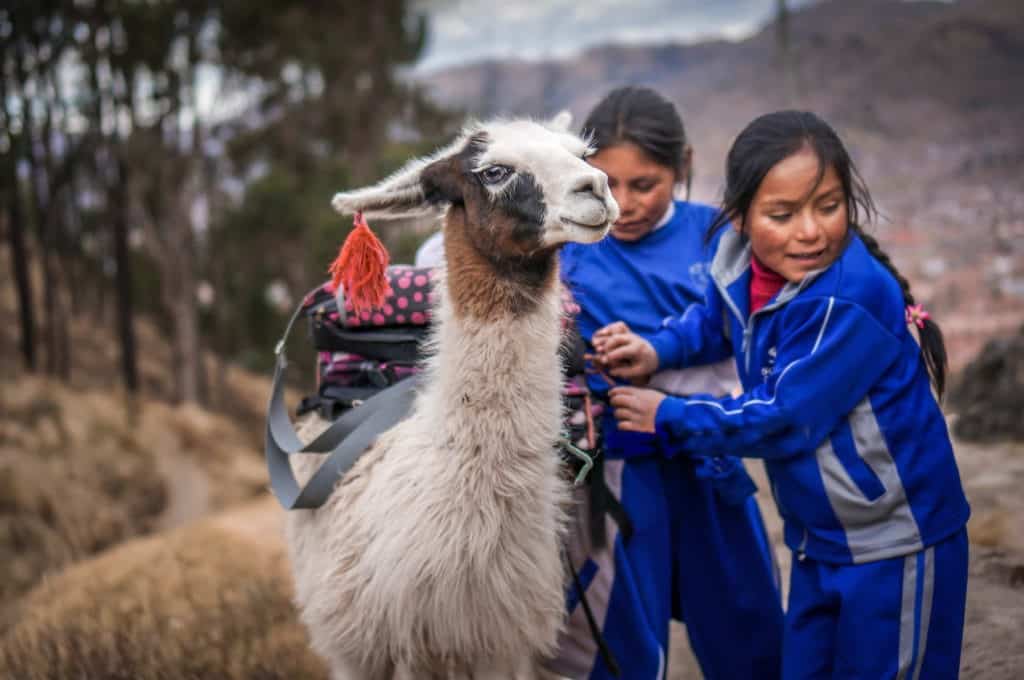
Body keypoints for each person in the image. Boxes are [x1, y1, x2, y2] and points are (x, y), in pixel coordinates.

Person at [596, 110, 970, 679]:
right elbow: (716, 321)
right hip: (823, 535)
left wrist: (668, 414)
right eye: (783, 214)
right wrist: (656, 351)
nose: (811, 231)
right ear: (741, 217)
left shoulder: (845, 300)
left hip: (896, 538)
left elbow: (785, 417)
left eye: (828, 206)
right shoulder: (742, 264)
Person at [549, 86, 783, 680]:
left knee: (749, 632)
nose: (623, 204)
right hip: (619, 480)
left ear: (682, 166)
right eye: (605, 183)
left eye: (644, 184)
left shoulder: (722, 238)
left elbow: (756, 333)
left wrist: (659, 353)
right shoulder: (565, 252)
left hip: (710, 465)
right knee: (625, 649)